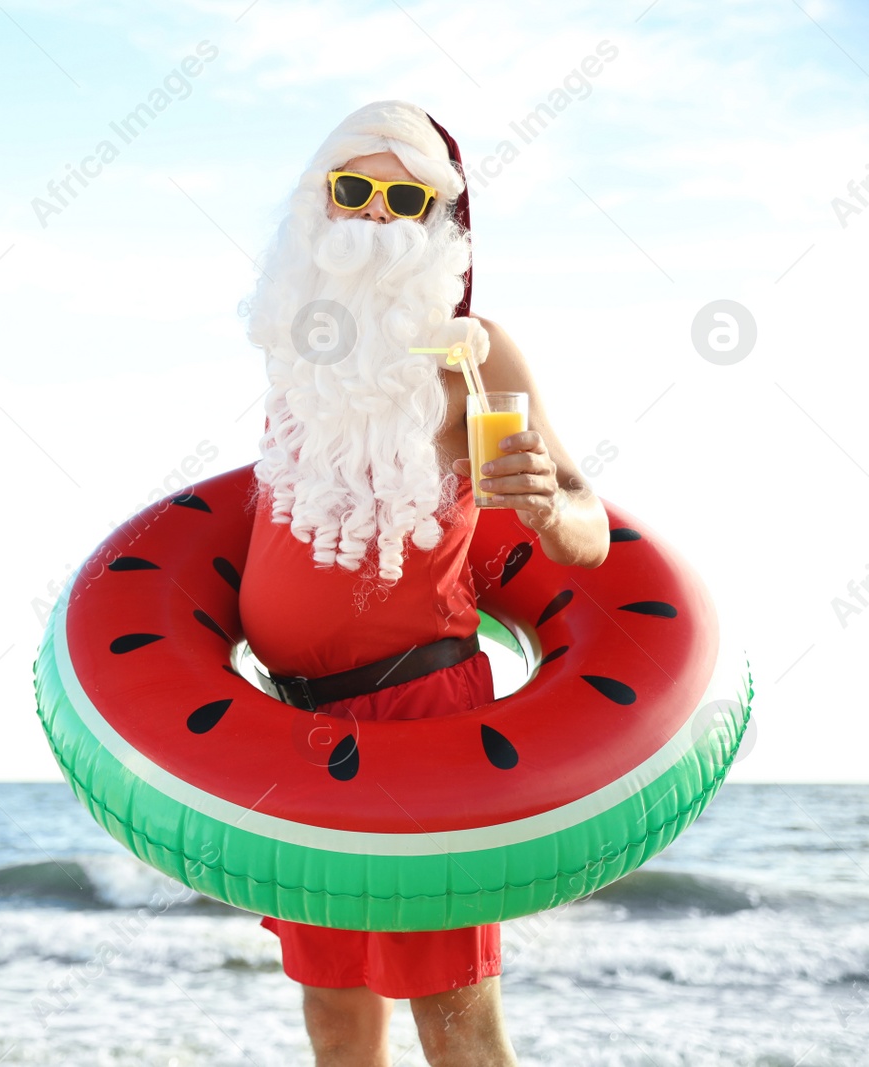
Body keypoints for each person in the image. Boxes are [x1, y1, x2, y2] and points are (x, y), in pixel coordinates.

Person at [236, 100, 610, 1067]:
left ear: (440, 222)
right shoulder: (293, 356)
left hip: (420, 711)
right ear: (316, 205)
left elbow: (588, 530)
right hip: (298, 725)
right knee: (333, 1012)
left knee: (454, 1018)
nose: (372, 219)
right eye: (351, 191)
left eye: (402, 199)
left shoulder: (475, 356)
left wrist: (541, 505)